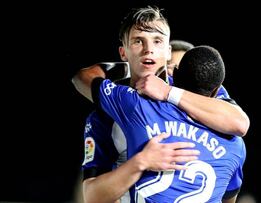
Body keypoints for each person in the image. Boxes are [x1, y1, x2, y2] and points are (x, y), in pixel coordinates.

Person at [74, 6, 250, 203]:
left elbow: (239, 122)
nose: (148, 49)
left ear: (168, 52)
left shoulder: (192, 90)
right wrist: (139, 163)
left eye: (157, 41)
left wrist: (167, 92)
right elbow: (92, 196)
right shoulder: (110, 111)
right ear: (123, 52)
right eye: (138, 41)